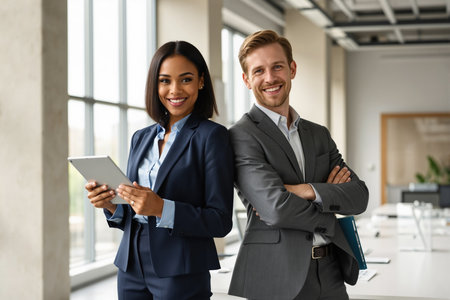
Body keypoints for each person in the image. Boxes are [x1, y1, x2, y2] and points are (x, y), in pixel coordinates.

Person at [85, 41, 234, 300]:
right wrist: (110, 204)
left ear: (201, 81)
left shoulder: (213, 137)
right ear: (155, 86)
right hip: (131, 264)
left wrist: (162, 208)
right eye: (165, 81)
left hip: (181, 267)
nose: (174, 90)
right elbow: (134, 211)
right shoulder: (140, 138)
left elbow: (220, 221)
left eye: (185, 79)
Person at [228, 30, 369, 300]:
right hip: (275, 276)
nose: (270, 78)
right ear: (247, 79)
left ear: (292, 69)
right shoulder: (241, 135)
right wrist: (328, 205)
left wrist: (305, 190)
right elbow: (276, 208)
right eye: (258, 71)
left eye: (277, 66)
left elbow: (359, 196)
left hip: (331, 272)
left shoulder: (318, 134)